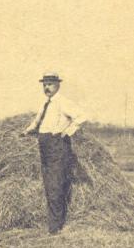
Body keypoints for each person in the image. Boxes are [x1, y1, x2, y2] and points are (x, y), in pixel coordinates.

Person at [20, 72, 87, 234]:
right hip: (44, 145)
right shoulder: (46, 104)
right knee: (48, 183)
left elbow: (82, 117)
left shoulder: (63, 102)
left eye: (49, 84)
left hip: (57, 146)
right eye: (44, 84)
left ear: (58, 85)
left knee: (55, 185)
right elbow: (37, 122)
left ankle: (55, 227)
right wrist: (27, 131)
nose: (46, 87)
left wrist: (66, 132)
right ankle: (53, 223)